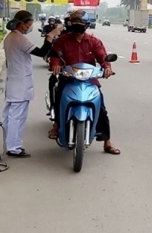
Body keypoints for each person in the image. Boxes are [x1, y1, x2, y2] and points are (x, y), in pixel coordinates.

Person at [48, 9, 120, 155]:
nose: (77, 26)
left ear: (86, 25)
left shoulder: (94, 42)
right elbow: (55, 54)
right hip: (68, 78)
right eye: (75, 23)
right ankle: (56, 125)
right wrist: (55, 63)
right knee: (59, 95)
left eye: (81, 23)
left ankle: (107, 142)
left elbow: (103, 58)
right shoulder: (63, 40)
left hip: (89, 80)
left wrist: (107, 67)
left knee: (102, 109)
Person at [3, 10, 62, 158]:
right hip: (20, 82)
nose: (32, 25)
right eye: (30, 22)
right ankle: (13, 148)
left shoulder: (11, 37)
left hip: (14, 80)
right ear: (23, 23)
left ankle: (10, 144)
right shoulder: (19, 39)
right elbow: (42, 52)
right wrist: (50, 36)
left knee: (10, 115)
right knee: (17, 115)